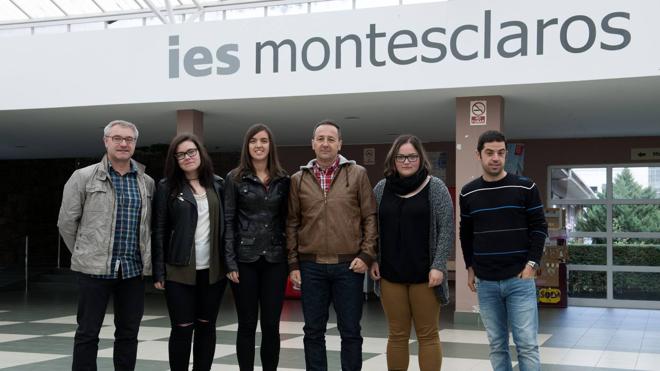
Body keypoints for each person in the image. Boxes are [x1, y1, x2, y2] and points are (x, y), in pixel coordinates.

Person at [57, 120, 155, 371]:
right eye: (117, 138)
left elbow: (148, 226)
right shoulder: (83, 177)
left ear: (134, 143)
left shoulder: (147, 183)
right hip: (94, 271)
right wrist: (85, 253)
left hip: (133, 271)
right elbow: (67, 223)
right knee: (88, 333)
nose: (124, 143)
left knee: (128, 334)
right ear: (106, 141)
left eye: (129, 139)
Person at [286, 119, 378, 371]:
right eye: (321, 139)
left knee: (350, 331)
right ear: (312, 143)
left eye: (331, 139)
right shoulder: (297, 179)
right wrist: (293, 263)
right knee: (313, 332)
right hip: (310, 267)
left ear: (340, 143)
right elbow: (292, 223)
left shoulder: (357, 174)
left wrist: (367, 254)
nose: (325, 143)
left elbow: (370, 216)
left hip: (348, 266)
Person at [459, 130, 547, 371]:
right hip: (486, 283)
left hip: (519, 280)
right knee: (497, 345)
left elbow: (540, 228)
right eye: (489, 153)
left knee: (527, 345)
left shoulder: (526, 187)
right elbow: (465, 234)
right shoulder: (468, 192)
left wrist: (532, 265)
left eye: (500, 153)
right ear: (479, 155)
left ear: (506, 154)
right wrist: (469, 268)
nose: (495, 158)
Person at [371, 135, 454, 371]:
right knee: (397, 335)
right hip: (390, 274)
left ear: (420, 159)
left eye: (412, 156)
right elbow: (371, 227)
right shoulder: (381, 188)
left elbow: (447, 228)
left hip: (426, 276)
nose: (406, 161)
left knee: (427, 335)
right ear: (393, 160)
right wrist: (373, 259)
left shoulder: (435, 187)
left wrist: (439, 265)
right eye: (401, 156)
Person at [151, 133, 227, 371]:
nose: (187, 157)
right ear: (175, 159)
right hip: (179, 270)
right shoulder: (167, 187)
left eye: (191, 152)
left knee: (206, 327)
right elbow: (159, 229)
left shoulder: (218, 184)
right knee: (182, 329)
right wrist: (159, 270)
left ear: (200, 153)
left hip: (213, 272)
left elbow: (229, 226)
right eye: (181, 154)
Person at [223, 124, 290, 371]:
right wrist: (229, 262)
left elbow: (288, 221)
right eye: (253, 141)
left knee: (271, 325)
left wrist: (292, 260)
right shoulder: (234, 177)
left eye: (263, 141)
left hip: (275, 259)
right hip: (244, 260)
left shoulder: (284, 179)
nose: (258, 145)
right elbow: (228, 221)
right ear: (247, 146)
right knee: (247, 324)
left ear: (271, 145)